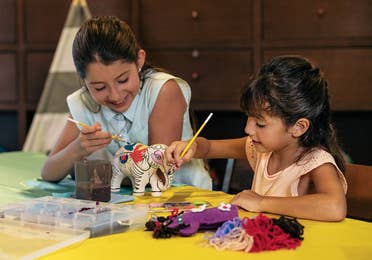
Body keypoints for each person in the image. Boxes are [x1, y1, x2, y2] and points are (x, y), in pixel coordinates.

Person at [166, 55, 348, 221]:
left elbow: (334, 207)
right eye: (248, 117)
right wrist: (192, 146)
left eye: (260, 124)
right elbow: (210, 148)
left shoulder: (315, 161)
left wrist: (261, 202)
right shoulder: (262, 150)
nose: (248, 128)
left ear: (298, 127)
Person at [41, 16, 212, 190]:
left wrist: (95, 173)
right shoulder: (85, 101)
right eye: (100, 88)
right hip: (127, 202)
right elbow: (48, 172)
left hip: (182, 196)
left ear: (139, 60)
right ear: (84, 81)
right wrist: (78, 148)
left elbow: (157, 173)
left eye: (123, 80)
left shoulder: (162, 91)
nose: (115, 95)